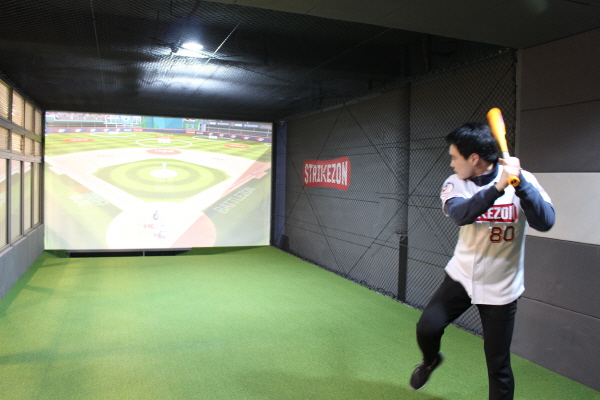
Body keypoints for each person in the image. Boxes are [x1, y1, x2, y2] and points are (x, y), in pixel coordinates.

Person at [409, 122, 555, 400]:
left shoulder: (522, 179)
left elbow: (545, 221)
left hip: (502, 286)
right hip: (462, 276)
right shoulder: (455, 183)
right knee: (427, 328)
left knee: (498, 364)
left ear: (473, 158)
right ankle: (430, 361)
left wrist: (521, 185)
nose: (452, 163)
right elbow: (462, 215)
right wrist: (499, 187)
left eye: (455, 157)